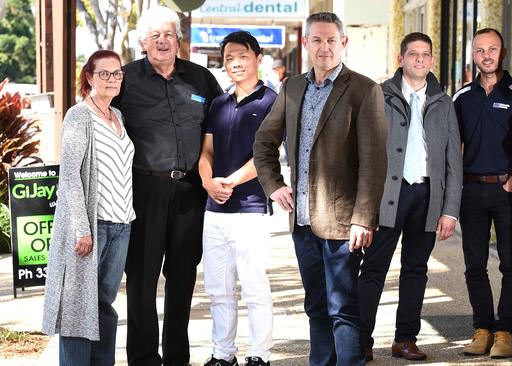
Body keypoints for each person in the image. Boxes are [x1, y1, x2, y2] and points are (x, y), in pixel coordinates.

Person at [253, 12, 387, 366]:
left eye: (331, 40)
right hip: (301, 219)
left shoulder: (363, 89)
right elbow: (264, 142)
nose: (324, 47)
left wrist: (364, 218)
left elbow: (374, 163)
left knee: (342, 306)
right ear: (307, 43)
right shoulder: (293, 87)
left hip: (344, 221)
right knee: (315, 305)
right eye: (317, 40)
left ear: (343, 43)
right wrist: (273, 185)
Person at [111, 6, 223, 365]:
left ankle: (176, 357)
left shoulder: (202, 79)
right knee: (142, 280)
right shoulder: (124, 79)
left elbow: (221, 128)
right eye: (155, 35)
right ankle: (143, 358)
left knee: (182, 277)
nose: (162, 41)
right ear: (143, 40)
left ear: (179, 39)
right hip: (143, 191)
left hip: (191, 192)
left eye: (169, 34)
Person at [357, 32, 462, 362]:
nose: (420, 59)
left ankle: (405, 339)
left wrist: (450, 210)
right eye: (413, 53)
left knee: (416, 269)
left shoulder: (444, 103)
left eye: (426, 54)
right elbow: (364, 150)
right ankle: (361, 340)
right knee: (373, 269)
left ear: (432, 60)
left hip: (428, 196)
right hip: (389, 194)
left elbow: (453, 161)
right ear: (400, 59)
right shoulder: (379, 95)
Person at [42, 50, 135, 365]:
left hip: (121, 226)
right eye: (104, 73)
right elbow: (69, 175)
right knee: (77, 307)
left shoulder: (117, 116)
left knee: (103, 305)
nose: (112, 79)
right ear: (89, 77)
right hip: (92, 227)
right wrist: (82, 228)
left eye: (117, 73)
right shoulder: (79, 115)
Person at [452, 28, 512, 358]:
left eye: (492, 48)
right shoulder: (461, 97)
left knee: (511, 264)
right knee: (474, 265)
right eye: (480, 49)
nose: (486, 54)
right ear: (473, 54)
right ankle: (482, 328)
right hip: (471, 190)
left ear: (504, 52)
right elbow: (451, 147)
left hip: (507, 191)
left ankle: (505, 332)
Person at [199, 31, 275, 366]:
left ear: (258, 58)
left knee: (254, 286)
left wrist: (229, 181)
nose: (235, 63)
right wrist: (207, 182)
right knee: (218, 289)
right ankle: (222, 354)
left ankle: (259, 354)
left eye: (242, 56)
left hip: (251, 208)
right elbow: (207, 151)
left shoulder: (272, 101)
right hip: (214, 209)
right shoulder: (219, 104)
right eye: (229, 58)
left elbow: (266, 155)